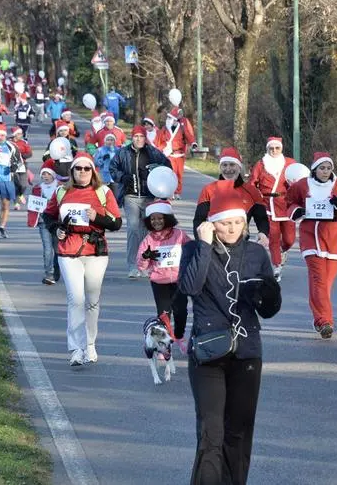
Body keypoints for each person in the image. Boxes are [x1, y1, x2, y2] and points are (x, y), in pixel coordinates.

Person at [177, 189, 281, 485]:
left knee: (239, 432)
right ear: (211, 224)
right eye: (225, 223)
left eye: (238, 222)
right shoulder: (194, 249)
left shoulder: (257, 253)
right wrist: (204, 245)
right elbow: (189, 287)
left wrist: (266, 293)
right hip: (209, 353)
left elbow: (271, 309)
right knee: (211, 433)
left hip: (247, 352)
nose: (233, 228)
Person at [42, 152, 123, 366]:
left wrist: (98, 218)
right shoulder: (61, 192)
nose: (83, 172)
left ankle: (90, 345)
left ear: (93, 171)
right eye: (79, 169)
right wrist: (56, 229)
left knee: (92, 300)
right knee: (75, 300)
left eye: (87, 169)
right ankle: (76, 349)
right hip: (69, 250)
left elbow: (116, 223)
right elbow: (48, 216)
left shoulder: (103, 192)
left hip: (95, 250)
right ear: (72, 171)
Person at [285, 152, 337, 339]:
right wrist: (296, 210)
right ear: (314, 169)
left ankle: (319, 317)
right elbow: (289, 202)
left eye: (328, 168)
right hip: (310, 236)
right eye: (322, 168)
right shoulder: (302, 185)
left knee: (326, 283)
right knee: (319, 279)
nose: (325, 172)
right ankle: (325, 321)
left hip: (332, 238)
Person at [109, 125, 171, 278]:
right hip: (130, 197)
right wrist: (122, 177)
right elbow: (112, 168)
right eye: (136, 136)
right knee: (133, 229)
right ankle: (132, 266)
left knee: (146, 231)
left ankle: (145, 264)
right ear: (132, 138)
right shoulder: (123, 152)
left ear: (145, 138)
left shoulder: (153, 152)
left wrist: (154, 171)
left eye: (141, 136)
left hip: (149, 196)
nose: (138, 139)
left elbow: (167, 166)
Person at [137, 200, 191, 342]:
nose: (156, 222)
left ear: (167, 218)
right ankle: (164, 342)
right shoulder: (148, 240)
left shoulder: (179, 235)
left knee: (181, 312)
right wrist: (145, 257)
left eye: (160, 218)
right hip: (159, 282)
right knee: (163, 314)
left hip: (179, 281)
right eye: (153, 219)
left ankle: (179, 337)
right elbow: (141, 266)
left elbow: (191, 251)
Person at [193, 147, 270, 246]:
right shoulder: (208, 190)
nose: (228, 169)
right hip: (215, 244)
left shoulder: (251, 191)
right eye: (224, 165)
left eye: (232, 165)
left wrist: (263, 233)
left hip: (241, 244)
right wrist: (201, 243)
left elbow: (262, 218)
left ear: (239, 167)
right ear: (220, 168)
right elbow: (199, 219)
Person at [250, 136, 297, 279]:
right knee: (274, 237)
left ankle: (282, 250)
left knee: (289, 239)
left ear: (281, 148)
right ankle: (277, 266)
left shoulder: (290, 163)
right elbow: (252, 183)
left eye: (277, 148)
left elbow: (299, 181)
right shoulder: (261, 164)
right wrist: (255, 198)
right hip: (268, 204)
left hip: (286, 203)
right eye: (271, 148)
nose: (274, 151)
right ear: (267, 149)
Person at [27, 159, 61, 285]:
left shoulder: (60, 188)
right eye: (43, 174)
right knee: (47, 249)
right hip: (43, 223)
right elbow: (33, 206)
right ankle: (49, 273)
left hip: (57, 223)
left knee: (58, 248)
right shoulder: (37, 189)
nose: (45, 176)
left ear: (53, 175)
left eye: (48, 174)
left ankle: (57, 269)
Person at [155, 107, 195, 199]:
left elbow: (188, 136)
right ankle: (170, 191)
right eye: (168, 118)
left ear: (175, 119)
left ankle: (177, 192)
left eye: (171, 118)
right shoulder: (165, 129)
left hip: (180, 155)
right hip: (170, 155)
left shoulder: (181, 128)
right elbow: (159, 140)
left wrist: (193, 143)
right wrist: (158, 149)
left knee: (179, 175)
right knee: (170, 174)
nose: (169, 120)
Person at [10, 127, 33, 209]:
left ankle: (20, 194)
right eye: (19, 134)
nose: (21, 135)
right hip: (12, 166)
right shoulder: (9, 143)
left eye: (21, 133)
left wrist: (22, 156)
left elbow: (30, 153)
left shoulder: (24, 142)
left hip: (22, 165)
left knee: (23, 185)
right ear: (15, 135)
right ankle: (16, 203)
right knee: (15, 184)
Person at [94, 133, 120, 198]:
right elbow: (96, 163)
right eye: (108, 140)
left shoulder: (118, 150)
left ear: (114, 141)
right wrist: (103, 159)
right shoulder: (100, 150)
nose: (110, 141)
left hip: (114, 177)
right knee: (103, 196)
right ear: (105, 141)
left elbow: (121, 163)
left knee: (115, 197)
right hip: (104, 176)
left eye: (112, 140)